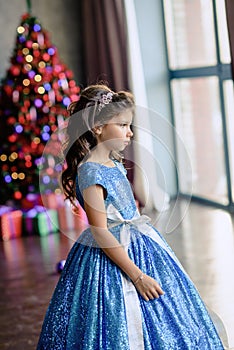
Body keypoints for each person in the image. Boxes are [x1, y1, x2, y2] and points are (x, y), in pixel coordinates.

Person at [37, 84, 224, 349]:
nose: (130, 132)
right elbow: (100, 230)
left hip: (140, 244)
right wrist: (137, 276)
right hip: (112, 253)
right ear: (99, 127)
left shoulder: (113, 162)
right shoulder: (91, 171)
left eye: (130, 125)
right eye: (123, 125)